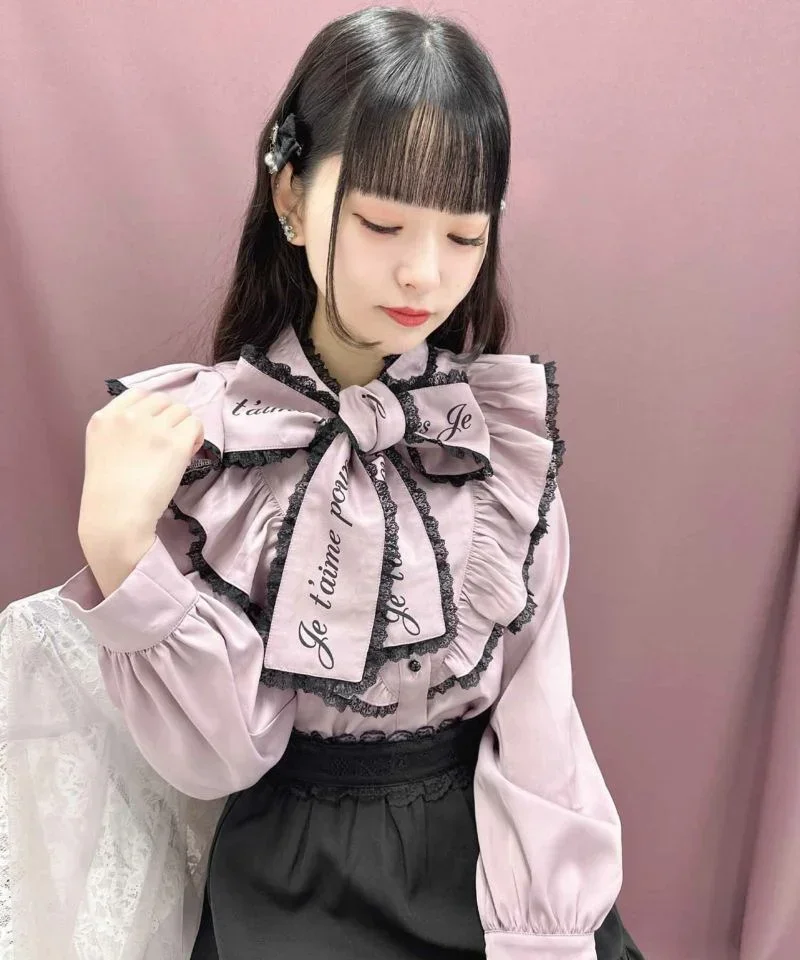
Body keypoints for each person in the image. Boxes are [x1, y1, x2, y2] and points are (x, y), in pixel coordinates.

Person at [0, 6, 645, 959]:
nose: (424, 273)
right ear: (292, 198)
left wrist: (544, 936)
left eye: (465, 236)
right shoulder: (202, 443)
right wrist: (124, 557)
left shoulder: (490, 443)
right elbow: (221, 753)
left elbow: (540, 715)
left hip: (488, 880)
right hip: (288, 891)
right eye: (383, 223)